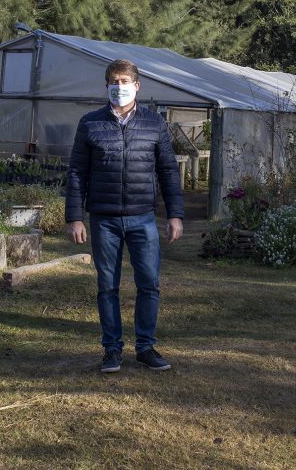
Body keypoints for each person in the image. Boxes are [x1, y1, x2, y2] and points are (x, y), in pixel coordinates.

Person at [66, 59, 184, 373]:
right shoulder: (90, 123)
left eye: (124, 81)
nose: (119, 87)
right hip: (103, 219)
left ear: (137, 86)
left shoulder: (154, 123)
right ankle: (112, 350)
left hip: (143, 217)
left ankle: (145, 347)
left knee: (149, 284)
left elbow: (168, 170)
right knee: (107, 286)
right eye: (114, 81)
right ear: (107, 85)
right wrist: (74, 216)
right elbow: (77, 172)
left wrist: (175, 214)